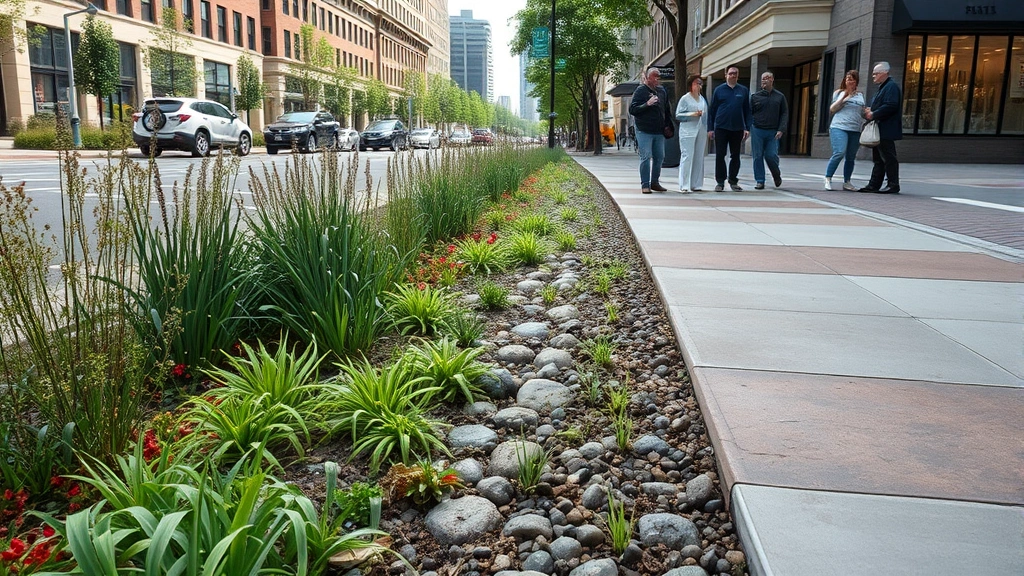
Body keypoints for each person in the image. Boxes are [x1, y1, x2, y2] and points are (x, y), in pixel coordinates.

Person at [629, 67, 674, 194]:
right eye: (654, 76)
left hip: (659, 130)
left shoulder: (662, 91)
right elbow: (632, 110)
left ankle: (655, 182)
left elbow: (666, 110)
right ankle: (645, 184)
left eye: (658, 76)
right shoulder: (640, 91)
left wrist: (667, 125)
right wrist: (647, 104)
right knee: (646, 156)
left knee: (660, 156)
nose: (657, 79)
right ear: (647, 78)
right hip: (644, 130)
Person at [860, 62, 903, 194]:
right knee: (879, 158)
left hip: (886, 128)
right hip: (881, 127)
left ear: (884, 73)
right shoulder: (884, 87)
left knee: (888, 157)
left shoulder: (891, 87)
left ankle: (893, 184)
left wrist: (873, 113)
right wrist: (871, 109)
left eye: (876, 73)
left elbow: (891, 105)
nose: (873, 76)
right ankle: (874, 185)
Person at [707, 65, 751, 192]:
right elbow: (712, 110)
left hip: (737, 128)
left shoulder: (743, 90)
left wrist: (747, 128)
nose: (733, 75)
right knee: (720, 155)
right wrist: (711, 128)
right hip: (721, 127)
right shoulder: (719, 90)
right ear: (726, 75)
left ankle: (733, 180)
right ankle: (720, 182)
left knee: (735, 156)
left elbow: (747, 110)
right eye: (731, 73)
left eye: (735, 73)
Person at [825, 70, 865, 191]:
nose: (849, 81)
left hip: (855, 128)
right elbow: (832, 108)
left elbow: (861, 111)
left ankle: (847, 181)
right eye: (847, 79)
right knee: (839, 152)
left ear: (856, 81)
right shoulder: (839, 93)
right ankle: (828, 178)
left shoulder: (860, 95)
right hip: (839, 126)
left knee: (851, 156)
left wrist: (867, 113)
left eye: (852, 79)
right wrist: (846, 97)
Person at [749, 71, 788, 190]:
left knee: (771, 155)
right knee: (757, 156)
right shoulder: (755, 96)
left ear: (772, 80)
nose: (765, 80)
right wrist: (748, 127)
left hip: (773, 131)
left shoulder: (780, 97)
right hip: (757, 130)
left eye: (767, 78)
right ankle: (760, 180)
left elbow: (784, 113)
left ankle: (776, 175)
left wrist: (781, 129)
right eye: (763, 79)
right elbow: (749, 113)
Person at [675, 74, 708, 193]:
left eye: (700, 83)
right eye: (696, 83)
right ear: (691, 85)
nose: (698, 85)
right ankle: (684, 184)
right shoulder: (685, 98)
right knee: (687, 156)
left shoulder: (702, 99)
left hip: (701, 129)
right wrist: (692, 114)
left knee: (699, 156)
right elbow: (678, 115)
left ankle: (696, 183)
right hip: (688, 130)